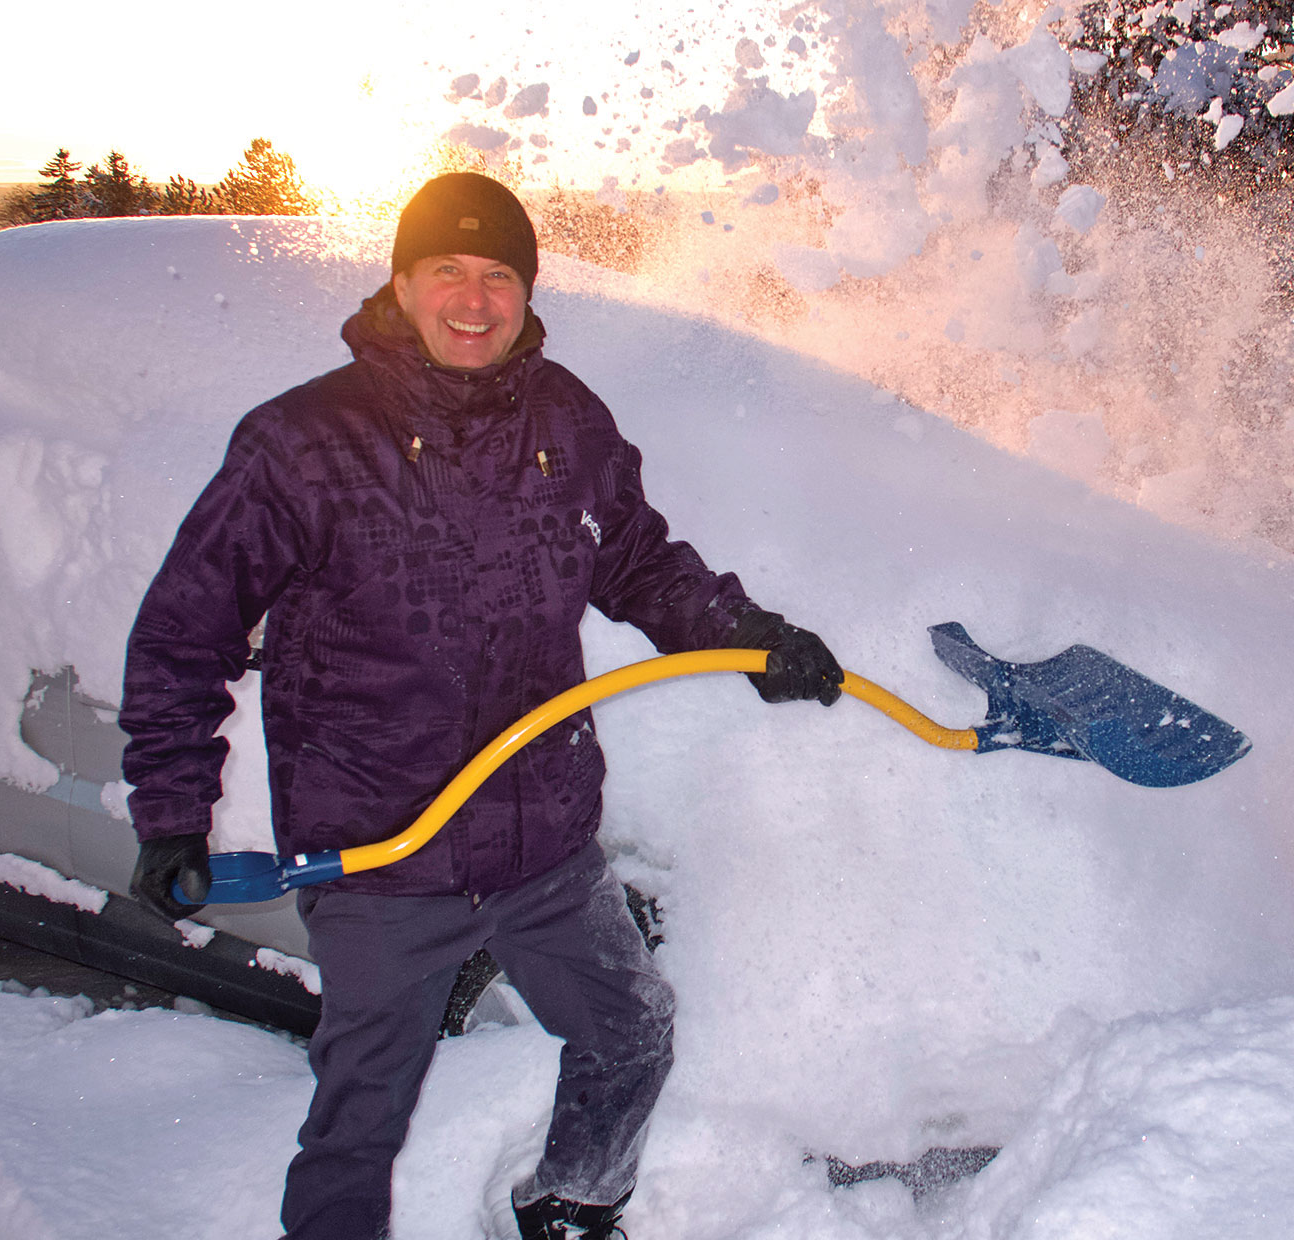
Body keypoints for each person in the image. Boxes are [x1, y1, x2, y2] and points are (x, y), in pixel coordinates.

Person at [119, 172, 843, 1240]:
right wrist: (171, 812)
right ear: (401, 282)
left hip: (540, 838)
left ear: (527, 290)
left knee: (632, 1029)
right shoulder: (303, 445)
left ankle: (570, 1208)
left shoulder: (565, 421)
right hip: (380, 855)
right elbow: (187, 630)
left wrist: (755, 638)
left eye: (497, 274)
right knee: (360, 1122)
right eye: (447, 271)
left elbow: (636, 560)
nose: (473, 298)